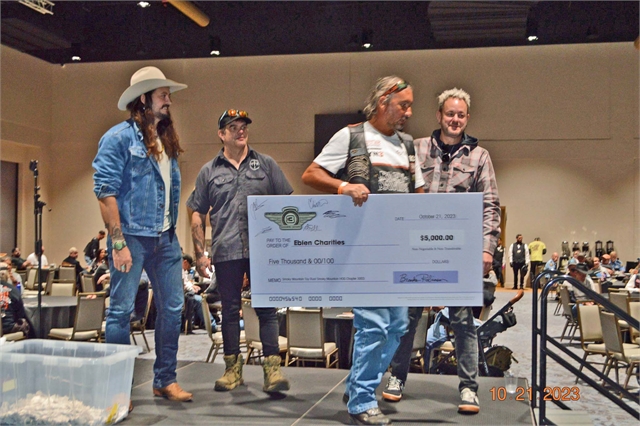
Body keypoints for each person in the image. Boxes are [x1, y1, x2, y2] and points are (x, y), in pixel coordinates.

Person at [302, 76, 425, 425]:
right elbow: (311, 174)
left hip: (397, 252)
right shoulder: (351, 136)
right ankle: (361, 400)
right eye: (404, 105)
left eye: (410, 105)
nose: (409, 112)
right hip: (363, 250)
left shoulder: (407, 144)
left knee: (398, 325)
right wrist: (343, 186)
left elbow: (418, 194)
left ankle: (358, 384)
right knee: (374, 325)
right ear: (384, 101)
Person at [386, 87, 500, 415]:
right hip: (416, 248)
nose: (455, 119)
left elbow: (490, 205)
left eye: (460, 115)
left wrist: (486, 249)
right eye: (450, 113)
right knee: (407, 317)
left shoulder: (480, 156)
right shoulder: (417, 148)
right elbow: (396, 191)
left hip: (458, 251)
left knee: (463, 321)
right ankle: (397, 377)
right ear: (439, 115)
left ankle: (469, 388)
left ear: (467, 118)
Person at [92, 66, 192, 403]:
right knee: (121, 311)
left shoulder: (166, 140)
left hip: (166, 238)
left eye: (168, 95)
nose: (169, 101)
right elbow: (105, 192)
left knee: (173, 307)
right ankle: (118, 387)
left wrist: (172, 233)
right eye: (163, 95)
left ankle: (165, 379)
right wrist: (118, 242)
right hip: (131, 237)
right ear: (144, 99)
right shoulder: (118, 138)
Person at [188, 108, 292, 394]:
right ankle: (232, 371)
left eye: (243, 126)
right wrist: (199, 254)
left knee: (267, 309)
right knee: (230, 311)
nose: (240, 130)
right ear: (221, 134)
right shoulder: (209, 171)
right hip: (227, 250)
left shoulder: (266, 165)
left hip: (263, 250)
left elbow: (287, 206)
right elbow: (197, 212)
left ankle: (272, 371)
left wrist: (285, 246)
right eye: (233, 127)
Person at [0, 262, 31, 338]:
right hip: (8, 328)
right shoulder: (13, 290)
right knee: (26, 324)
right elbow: (20, 314)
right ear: (7, 275)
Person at [181, 254, 205, 333]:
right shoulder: (179, 269)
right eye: (188, 266)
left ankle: (194, 323)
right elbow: (183, 285)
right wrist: (192, 288)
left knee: (197, 297)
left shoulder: (182, 270)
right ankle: (212, 325)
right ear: (185, 262)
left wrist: (192, 286)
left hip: (183, 294)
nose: (188, 269)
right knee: (200, 300)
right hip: (181, 296)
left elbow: (186, 282)